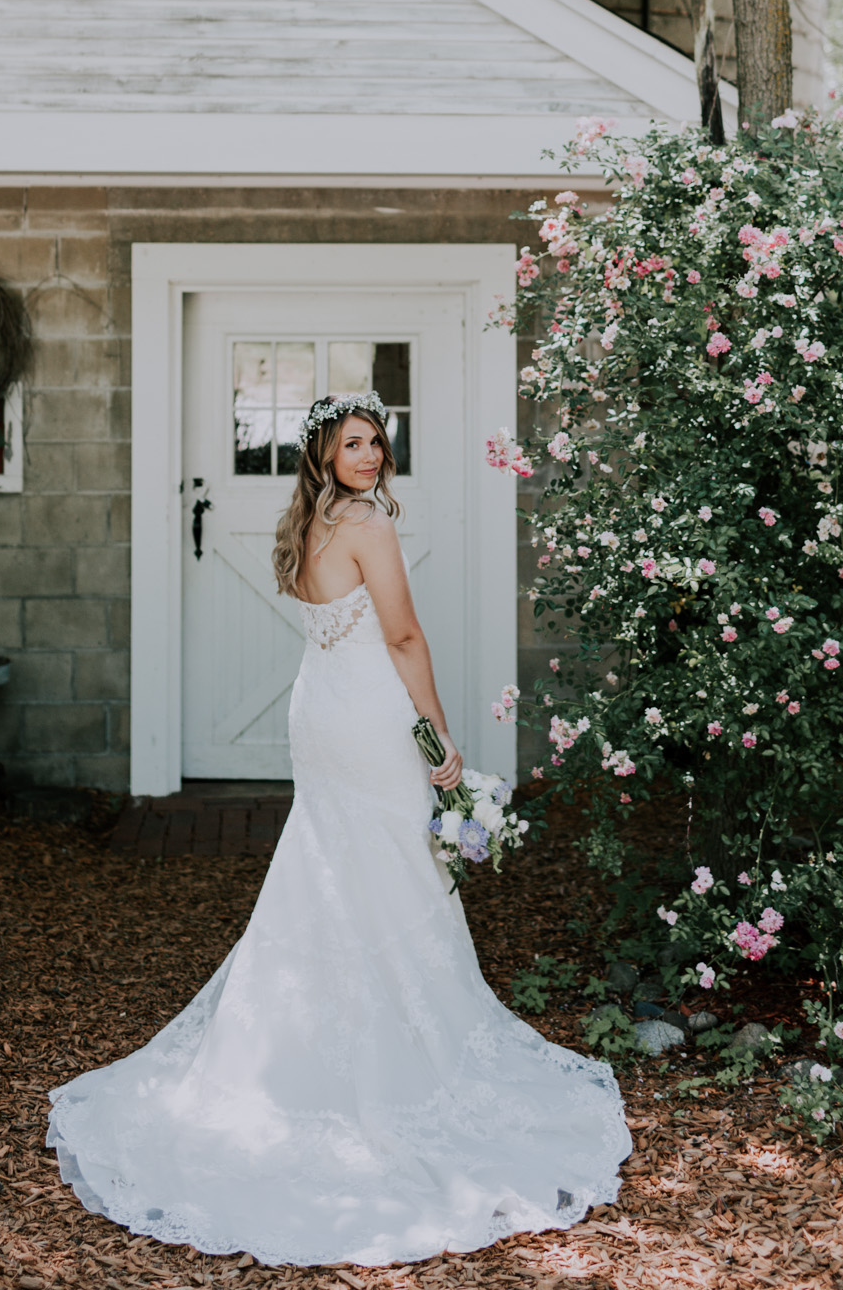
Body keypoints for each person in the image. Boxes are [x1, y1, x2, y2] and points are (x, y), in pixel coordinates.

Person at [46, 392, 631, 1265]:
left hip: (319, 705)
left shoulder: (308, 522)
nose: (369, 454)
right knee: (391, 864)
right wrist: (438, 734)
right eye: (352, 443)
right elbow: (400, 635)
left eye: (376, 441)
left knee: (334, 862)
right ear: (323, 452)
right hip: (363, 713)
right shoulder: (363, 522)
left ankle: (311, 1037)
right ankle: (391, 1053)